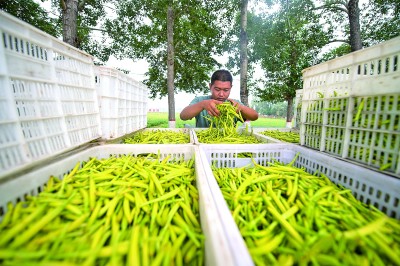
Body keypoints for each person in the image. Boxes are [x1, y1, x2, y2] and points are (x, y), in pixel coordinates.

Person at [180, 69, 258, 128]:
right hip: (203, 144)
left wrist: (241, 108)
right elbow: (183, 116)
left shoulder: (234, 104)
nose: (221, 94)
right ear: (210, 86)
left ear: (231, 88)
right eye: (217, 89)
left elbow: (254, 116)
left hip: (227, 145)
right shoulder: (201, 101)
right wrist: (202, 105)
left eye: (226, 90)